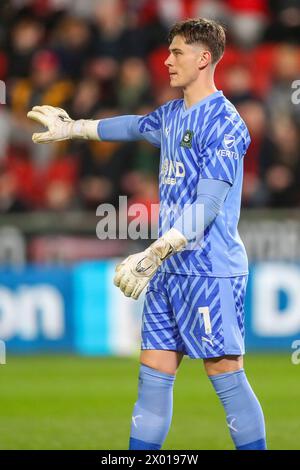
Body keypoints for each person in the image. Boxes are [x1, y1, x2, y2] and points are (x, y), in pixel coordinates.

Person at [27, 18, 267, 451]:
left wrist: (155, 250)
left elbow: (208, 205)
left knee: (225, 374)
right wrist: (75, 127)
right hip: (169, 269)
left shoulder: (227, 124)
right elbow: (133, 126)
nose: (167, 60)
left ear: (203, 58)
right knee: (153, 374)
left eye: (176, 52)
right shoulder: (173, 115)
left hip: (210, 270)